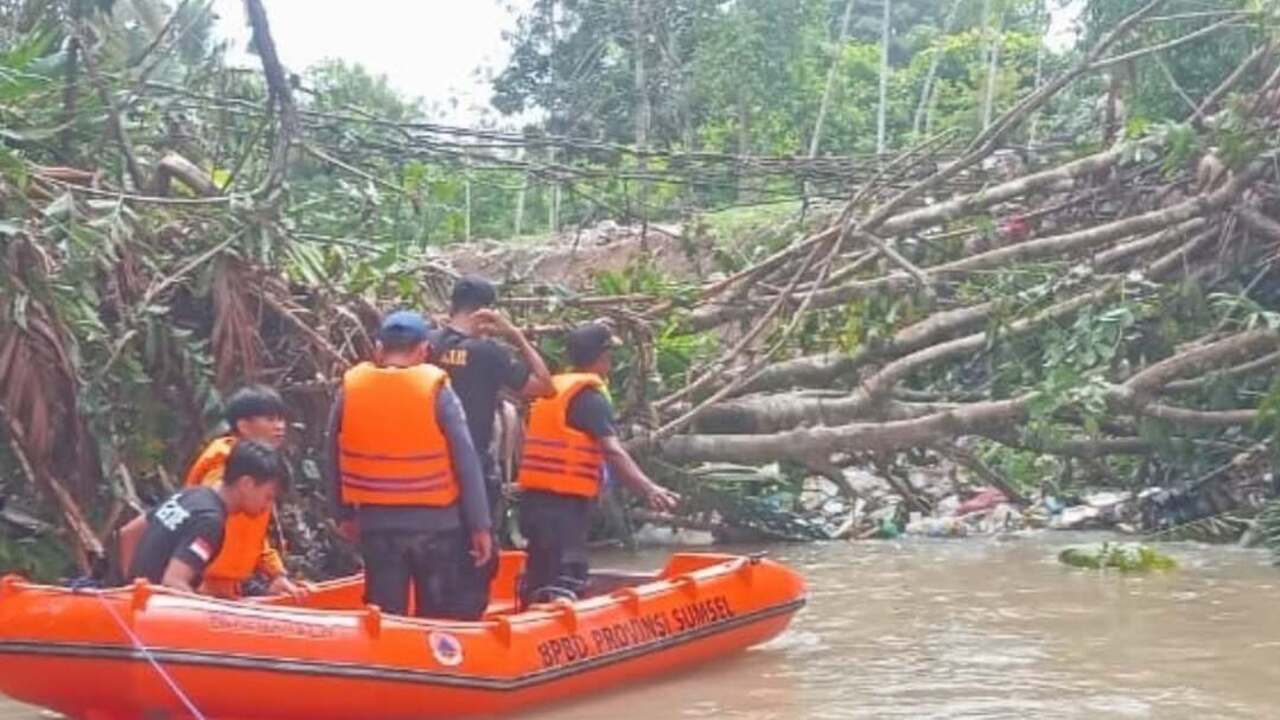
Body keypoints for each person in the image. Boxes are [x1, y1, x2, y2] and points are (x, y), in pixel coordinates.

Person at [328, 310, 493, 618]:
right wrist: (480, 525)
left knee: (386, 619)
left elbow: (332, 455)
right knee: (439, 618)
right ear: (424, 350)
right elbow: (466, 461)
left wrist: (342, 513)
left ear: (378, 349)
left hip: (378, 527)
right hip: (437, 528)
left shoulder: (350, 390)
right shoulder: (437, 391)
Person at [517, 322, 681, 606]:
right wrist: (648, 488)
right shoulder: (590, 398)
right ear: (602, 358)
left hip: (534, 500)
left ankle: (533, 614)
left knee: (541, 573)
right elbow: (612, 451)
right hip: (564, 505)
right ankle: (557, 632)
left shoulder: (551, 388)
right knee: (566, 577)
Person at [428, 276, 553, 619]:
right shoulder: (488, 353)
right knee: (477, 554)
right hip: (473, 474)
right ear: (486, 313)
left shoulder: (423, 345)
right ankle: (467, 631)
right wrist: (516, 336)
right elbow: (545, 386)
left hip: (424, 473)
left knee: (436, 555)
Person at [183, 384, 308, 600]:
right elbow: (201, 522)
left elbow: (254, 534)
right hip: (200, 585)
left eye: (281, 419)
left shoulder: (258, 468)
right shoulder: (223, 465)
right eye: (270, 420)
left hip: (228, 587)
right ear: (244, 426)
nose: (280, 427)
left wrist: (276, 573)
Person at [123, 441, 287, 593]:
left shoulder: (191, 494)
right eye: (268, 497)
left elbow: (129, 532)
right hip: (155, 613)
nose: (268, 506)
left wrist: (132, 588)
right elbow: (173, 581)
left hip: (137, 605)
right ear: (246, 484)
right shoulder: (210, 522)